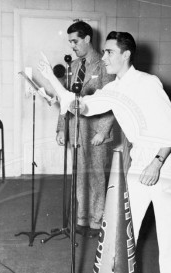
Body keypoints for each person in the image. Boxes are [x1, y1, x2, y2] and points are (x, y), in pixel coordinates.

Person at [38, 31, 171, 273]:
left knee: (170, 234)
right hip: (139, 163)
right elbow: (82, 107)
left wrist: (157, 163)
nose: (105, 56)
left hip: (163, 163)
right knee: (120, 230)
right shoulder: (114, 88)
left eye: (110, 52)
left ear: (126, 55)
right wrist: (51, 82)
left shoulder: (148, 83)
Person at [55, 21, 115, 237]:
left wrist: (103, 131)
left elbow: (111, 100)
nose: (72, 45)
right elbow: (65, 100)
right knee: (79, 175)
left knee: (96, 177)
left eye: (75, 41)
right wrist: (62, 128)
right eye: (70, 41)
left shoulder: (103, 65)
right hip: (75, 129)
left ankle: (97, 221)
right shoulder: (73, 67)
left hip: (95, 131)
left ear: (87, 39)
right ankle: (81, 218)